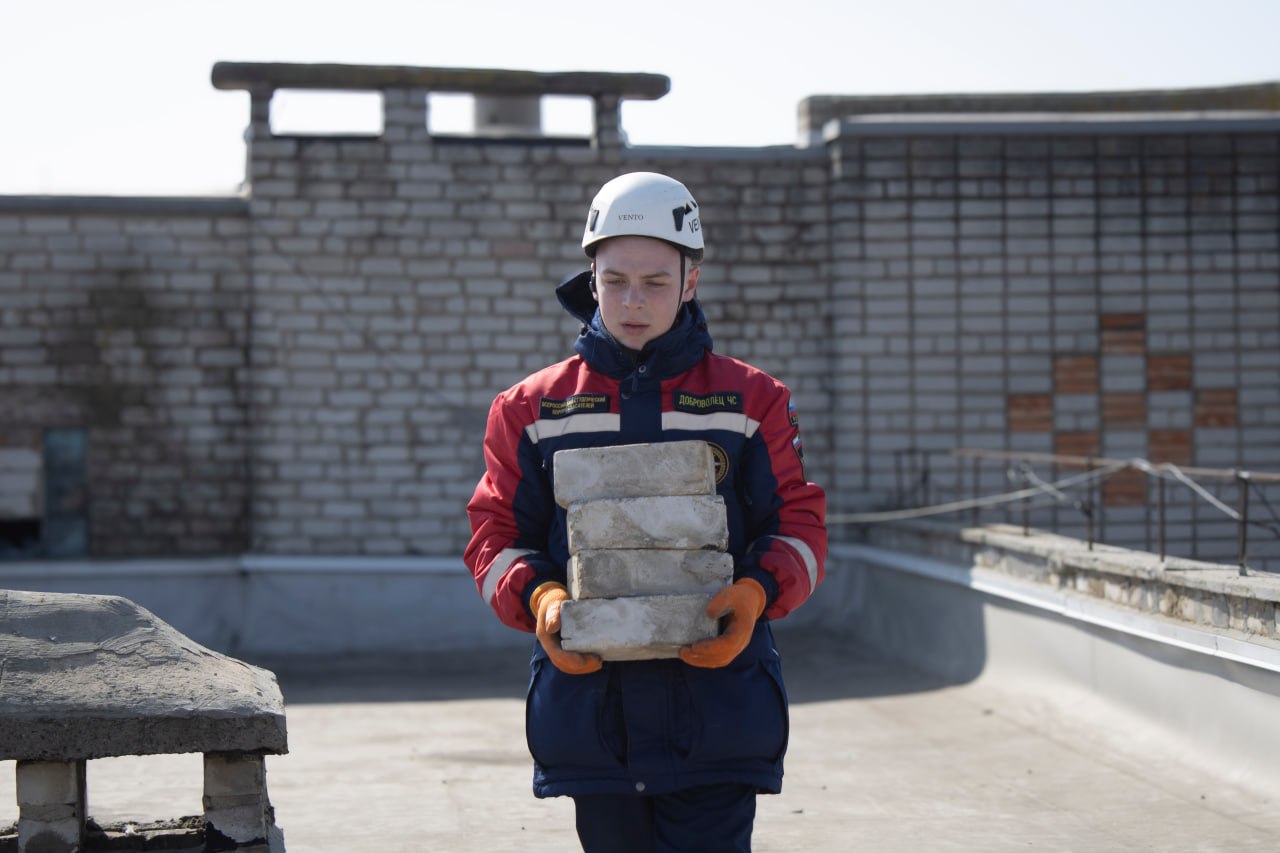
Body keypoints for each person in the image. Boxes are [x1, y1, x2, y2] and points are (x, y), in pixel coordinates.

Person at [465, 171, 827, 853]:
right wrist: (540, 598)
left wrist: (756, 592)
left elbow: (799, 529)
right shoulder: (530, 410)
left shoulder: (753, 402)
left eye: (656, 282)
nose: (633, 301)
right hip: (593, 718)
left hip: (719, 709)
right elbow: (495, 537)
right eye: (615, 281)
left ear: (691, 281)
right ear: (591, 277)